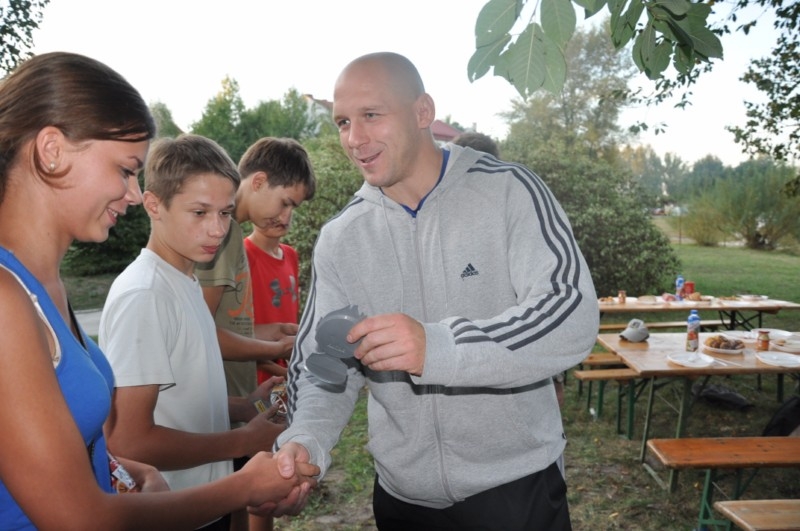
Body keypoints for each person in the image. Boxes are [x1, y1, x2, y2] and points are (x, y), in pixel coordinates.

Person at [271, 52, 598, 530]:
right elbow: (325, 364)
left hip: (515, 488)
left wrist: (439, 347)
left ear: (422, 112)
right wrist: (306, 439)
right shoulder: (342, 238)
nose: (354, 138)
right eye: (343, 122)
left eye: (371, 115)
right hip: (403, 499)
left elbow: (570, 312)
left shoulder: (509, 192)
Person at [0, 51, 317, 531]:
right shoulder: (9, 298)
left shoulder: (45, 286)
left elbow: (76, 441)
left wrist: (126, 468)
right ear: (52, 150)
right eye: (125, 169)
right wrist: (243, 483)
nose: (133, 194)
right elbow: (80, 517)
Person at [98, 133, 314, 530]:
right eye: (199, 213)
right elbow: (129, 440)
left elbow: (177, 398)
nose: (217, 230)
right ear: (154, 205)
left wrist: (242, 408)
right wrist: (242, 441)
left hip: (205, 503)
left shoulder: (185, 280)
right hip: (173, 510)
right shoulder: (145, 295)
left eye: (225, 213)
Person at [196, 136, 315, 531]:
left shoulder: (230, 231)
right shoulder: (227, 234)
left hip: (232, 401)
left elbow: (223, 323)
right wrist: (273, 346)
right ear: (259, 181)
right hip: (220, 404)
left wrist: (270, 334)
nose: (287, 215)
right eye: (286, 202)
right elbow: (201, 332)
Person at [450, 132, 566, 408]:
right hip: (461, 368)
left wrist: (554, 380)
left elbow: (549, 300)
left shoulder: (514, 208)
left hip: (514, 369)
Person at [240, 138, 316, 385]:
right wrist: (284, 372)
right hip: (257, 378)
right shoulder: (241, 254)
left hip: (286, 374)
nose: (284, 217)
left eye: (292, 208)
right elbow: (232, 334)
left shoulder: (291, 255)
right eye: (284, 204)